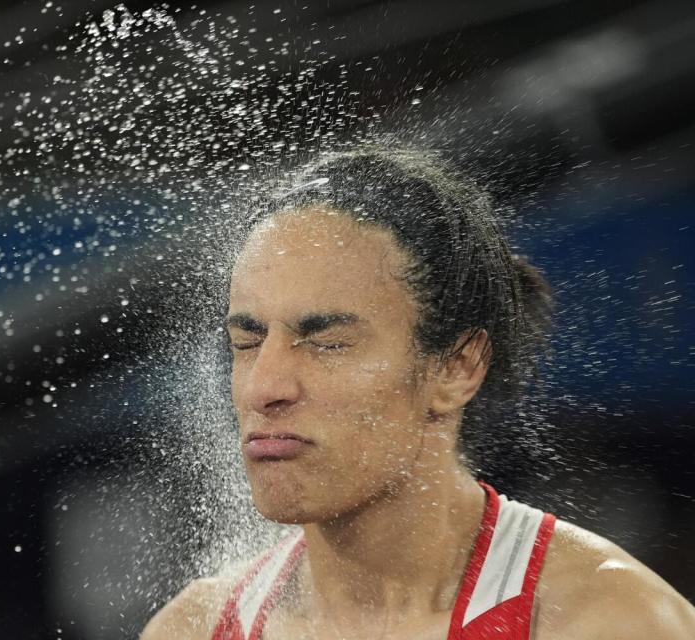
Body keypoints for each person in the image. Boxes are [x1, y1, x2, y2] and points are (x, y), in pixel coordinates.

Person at [141, 146, 695, 639]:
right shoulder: (193, 627)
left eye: (327, 343)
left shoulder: (611, 623)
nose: (264, 387)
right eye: (247, 341)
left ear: (456, 367)